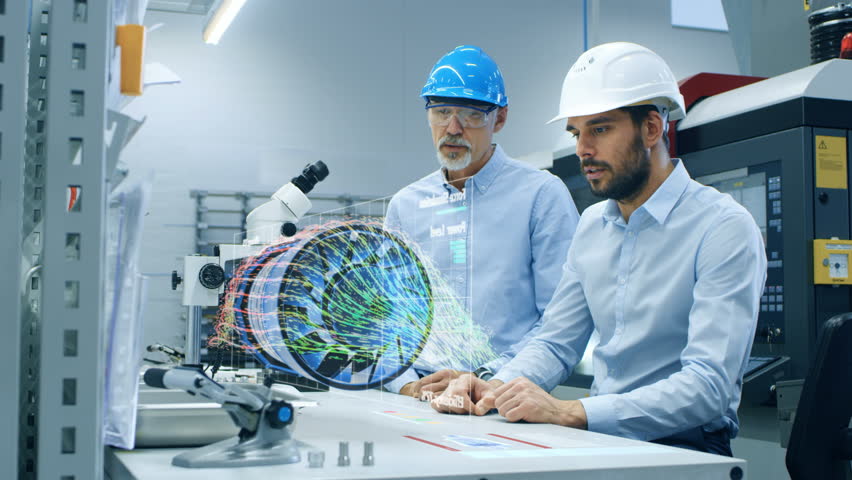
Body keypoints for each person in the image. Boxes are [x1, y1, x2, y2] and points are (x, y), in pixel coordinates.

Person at [430, 42, 767, 457]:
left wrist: (573, 412)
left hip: (686, 449)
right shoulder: (593, 226)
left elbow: (707, 387)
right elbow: (555, 342)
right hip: (601, 440)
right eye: (577, 132)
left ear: (651, 128)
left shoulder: (723, 228)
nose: (582, 149)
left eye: (600, 129)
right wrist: (495, 385)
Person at [382, 45, 580, 397]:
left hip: (503, 399)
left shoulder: (541, 197)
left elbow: (562, 325)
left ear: (499, 119)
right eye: (441, 112)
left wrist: (491, 383)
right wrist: (407, 384)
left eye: (471, 115)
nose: (452, 128)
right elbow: (387, 318)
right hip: (418, 399)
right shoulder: (405, 206)